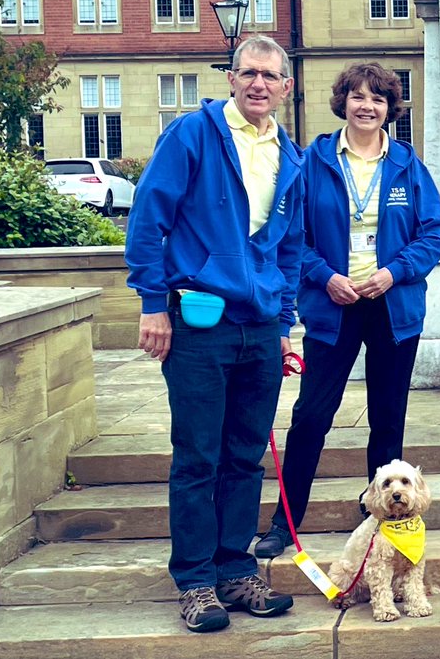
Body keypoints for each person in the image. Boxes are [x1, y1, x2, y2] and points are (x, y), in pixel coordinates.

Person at [125, 35, 302, 633]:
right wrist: (153, 304)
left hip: (261, 327)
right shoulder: (192, 135)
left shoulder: (289, 155)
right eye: (247, 72)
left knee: (245, 456)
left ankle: (235, 569)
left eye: (269, 76)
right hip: (199, 323)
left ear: (286, 87)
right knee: (198, 456)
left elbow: (290, 247)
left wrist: (284, 321)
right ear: (230, 78)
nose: (258, 84)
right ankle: (196, 581)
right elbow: (148, 219)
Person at [253, 62, 440, 559]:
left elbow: (434, 233)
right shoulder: (312, 161)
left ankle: (382, 522)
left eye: (378, 99)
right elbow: (291, 237)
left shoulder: (407, 163)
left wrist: (395, 272)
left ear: (389, 108)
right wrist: (325, 277)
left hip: (392, 307)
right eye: (358, 96)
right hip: (333, 307)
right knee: (311, 417)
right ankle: (284, 523)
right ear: (344, 102)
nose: (367, 106)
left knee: (387, 418)